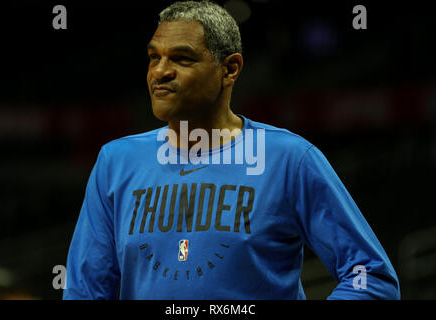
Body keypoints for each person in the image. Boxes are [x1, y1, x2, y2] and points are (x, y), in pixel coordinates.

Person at [63, 0, 400, 300]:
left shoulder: (288, 158)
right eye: (154, 57)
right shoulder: (115, 162)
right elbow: (85, 290)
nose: (160, 72)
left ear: (230, 68)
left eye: (181, 58)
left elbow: (370, 276)